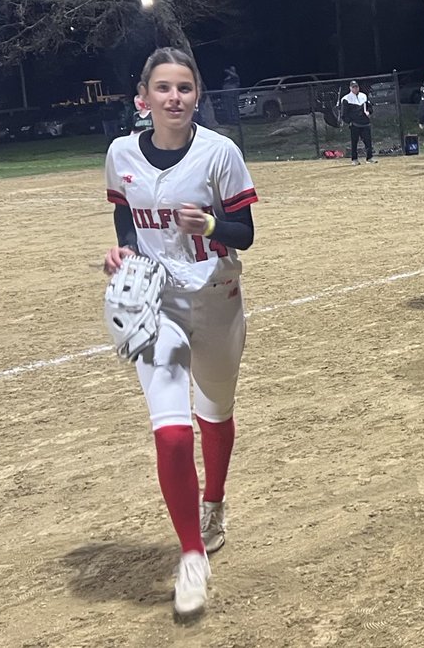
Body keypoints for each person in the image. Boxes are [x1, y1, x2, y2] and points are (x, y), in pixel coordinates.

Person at [102, 47, 259, 618]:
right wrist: (123, 253)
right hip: (156, 302)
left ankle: (214, 501)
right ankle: (192, 553)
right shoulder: (121, 152)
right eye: (163, 88)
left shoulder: (221, 153)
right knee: (170, 433)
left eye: (185, 88)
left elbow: (245, 233)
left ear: (197, 96)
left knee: (215, 411)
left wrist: (214, 223)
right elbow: (126, 214)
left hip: (216, 298)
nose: (174, 98)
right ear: (143, 97)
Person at [339, 80, 375, 165]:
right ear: (350, 88)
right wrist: (350, 122)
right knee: (354, 142)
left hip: (365, 123)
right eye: (353, 87)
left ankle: (369, 158)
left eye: (356, 87)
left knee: (368, 141)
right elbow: (344, 114)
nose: (355, 88)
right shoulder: (346, 99)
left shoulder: (364, 96)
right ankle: (354, 159)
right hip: (355, 124)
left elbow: (369, 107)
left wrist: (369, 112)